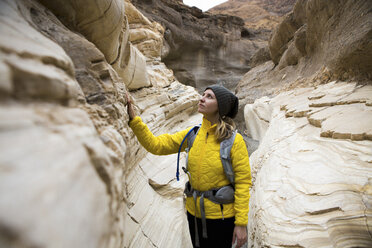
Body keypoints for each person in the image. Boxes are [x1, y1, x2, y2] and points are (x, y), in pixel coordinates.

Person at [127, 85, 252, 248]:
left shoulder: (234, 141)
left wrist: (241, 223)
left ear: (220, 107)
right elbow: (156, 145)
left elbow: (243, 183)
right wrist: (134, 120)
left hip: (222, 218)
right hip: (194, 215)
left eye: (209, 97)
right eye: (203, 94)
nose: (202, 98)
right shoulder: (192, 135)